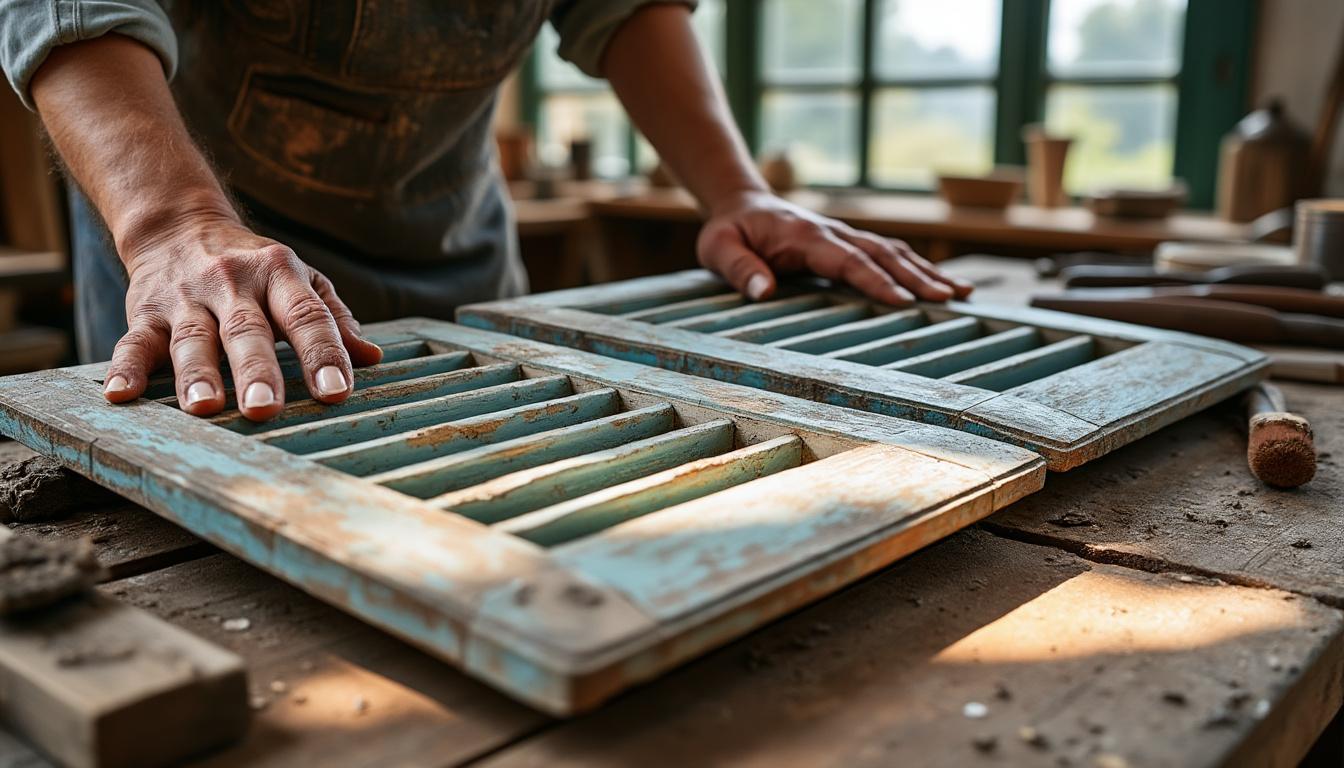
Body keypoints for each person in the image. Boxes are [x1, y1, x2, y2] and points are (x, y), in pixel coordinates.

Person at [1, 1, 972, 422]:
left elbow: (624, 7)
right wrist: (171, 223)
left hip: (455, 262)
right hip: (205, 284)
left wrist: (736, 192)